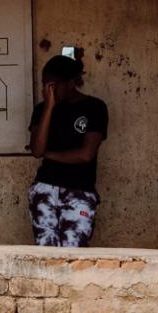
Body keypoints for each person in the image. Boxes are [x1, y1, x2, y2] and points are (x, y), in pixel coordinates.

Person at [26, 54, 109, 248]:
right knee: (46, 249)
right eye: (46, 85)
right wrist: (49, 107)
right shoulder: (41, 110)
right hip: (45, 187)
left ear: (71, 83)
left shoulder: (94, 107)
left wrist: (49, 154)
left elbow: (86, 154)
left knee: (74, 248)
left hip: (80, 190)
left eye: (55, 85)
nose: (50, 90)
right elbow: (37, 150)